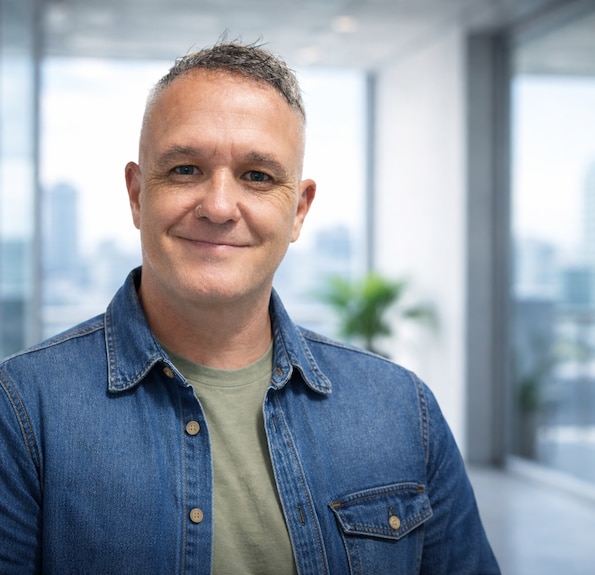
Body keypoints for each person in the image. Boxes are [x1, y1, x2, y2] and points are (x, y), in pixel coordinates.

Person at [0, 41, 500, 574]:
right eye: (186, 169)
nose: (218, 207)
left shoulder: (404, 411)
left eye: (258, 176)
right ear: (137, 194)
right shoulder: (21, 411)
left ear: (299, 210)